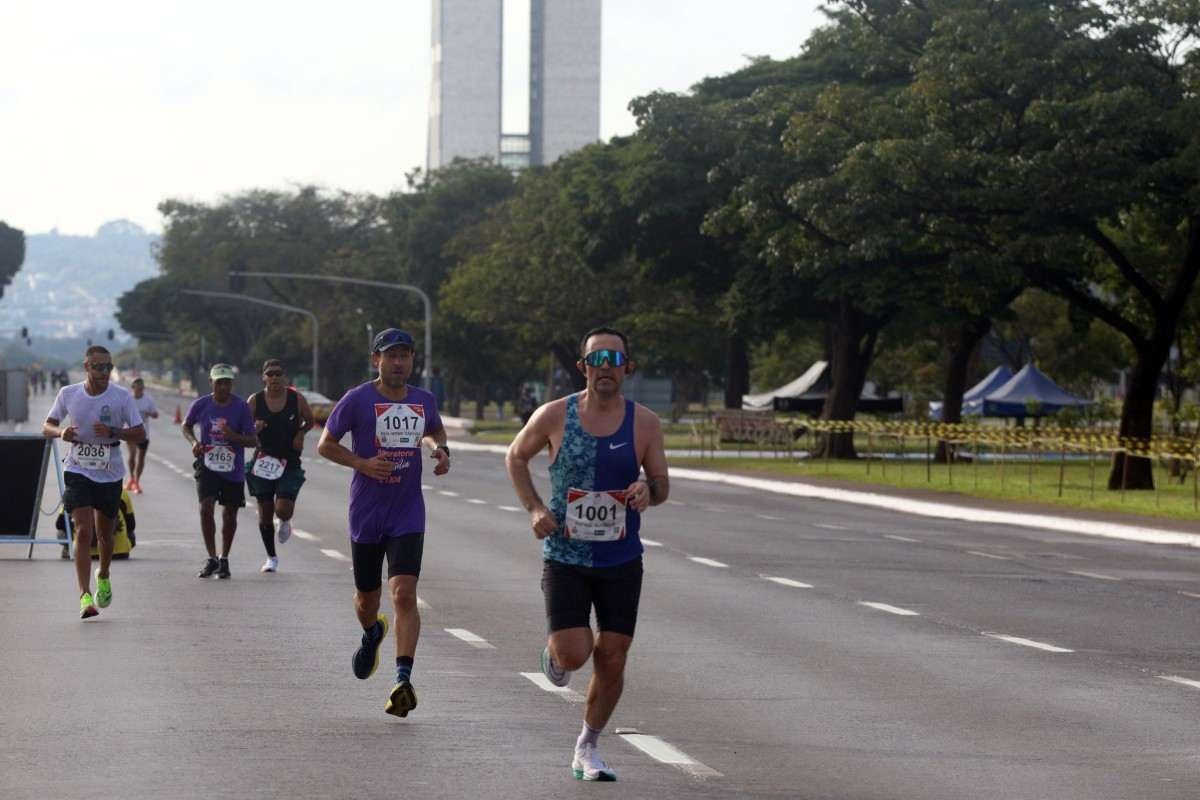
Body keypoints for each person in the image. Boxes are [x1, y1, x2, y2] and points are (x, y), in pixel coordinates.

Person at [505, 326, 670, 782]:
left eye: (613, 361)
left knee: (613, 655)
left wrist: (645, 489)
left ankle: (588, 746)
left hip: (620, 559)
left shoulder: (645, 423)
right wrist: (535, 508)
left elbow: (662, 485)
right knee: (576, 654)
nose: (604, 368)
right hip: (566, 556)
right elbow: (516, 457)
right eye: (596, 360)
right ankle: (556, 655)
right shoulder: (555, 415)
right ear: (582, 368)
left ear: (627, 369)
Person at [317, 328, 450, 718]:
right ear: (376, 360)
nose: (398, 362)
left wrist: (440, 449)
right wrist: (361, 463)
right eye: (390, 356)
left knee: (404, 594)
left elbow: (434, 429)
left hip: (408, 510)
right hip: (367, 512)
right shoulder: (358, 399)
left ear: (412, 360)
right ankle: (373, 632)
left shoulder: (423, 400)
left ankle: (402, 679)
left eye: (405, 355)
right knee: (367, 600)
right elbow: (325, 443)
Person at [43, 345, 145, 619]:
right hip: (77, 469)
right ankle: (84, 596)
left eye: (108, 367)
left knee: (105, 536)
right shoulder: (69, 394)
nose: (104, 372)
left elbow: (139, 432)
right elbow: (47, 426)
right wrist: (61, 431)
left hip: (110, 471)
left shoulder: (121, 396)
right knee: (83, 532)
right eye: (98, 367)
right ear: (86, 366)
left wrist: (113, 431)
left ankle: (104, 574)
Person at [181, 364, 257, 579]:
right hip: (207, 464)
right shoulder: (202, 404)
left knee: (230, 513)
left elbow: (252, 440)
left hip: (232, 468)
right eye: (219, 382)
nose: (224, 387)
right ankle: (212, 557)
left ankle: (224, 559)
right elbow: (186, 426)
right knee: (206, 508)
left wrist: (233, 435)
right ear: (211, 383)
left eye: (227, 382)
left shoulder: (241, 407)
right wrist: (194, 442)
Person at [246, 359, 314, 573]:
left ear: (284, 377)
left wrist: (300, 433)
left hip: (289, 461)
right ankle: (271, 557)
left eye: (278, 374)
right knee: (265, 512)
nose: (274, 378)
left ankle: (284, 521)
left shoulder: (296, 398)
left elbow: (310, 420)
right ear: (263, 377)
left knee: (283, 509)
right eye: (270, 374)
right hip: (263, 461)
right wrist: (253, 429)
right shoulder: (255, 400)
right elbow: (244, 427)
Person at [125, 377, 159, 493]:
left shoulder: (148, 399)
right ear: (133, 388)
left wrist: (149, 413)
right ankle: (131, 478)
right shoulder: (128, 399)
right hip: (130, 431)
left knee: (141, 458)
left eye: (141, 388)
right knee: (132, 455)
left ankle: (136, 481)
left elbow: (156, 414)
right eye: (137, 387)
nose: (139, 390)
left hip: (144, 433)